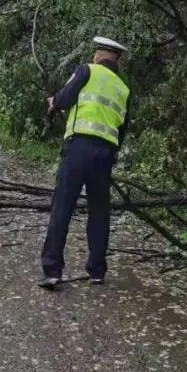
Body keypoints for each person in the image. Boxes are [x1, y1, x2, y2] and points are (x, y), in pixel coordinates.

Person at [39, 37, 131, 289]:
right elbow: (122, 129)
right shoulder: (123, 88)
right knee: (99, 210)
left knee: (63, 205)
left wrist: (53, 102)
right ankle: (97, 271)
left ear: (99, 55)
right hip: (105, 153)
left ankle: (52, 269)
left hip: (79, 147)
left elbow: (65, 98)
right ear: (116, 60)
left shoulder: (86, 71)